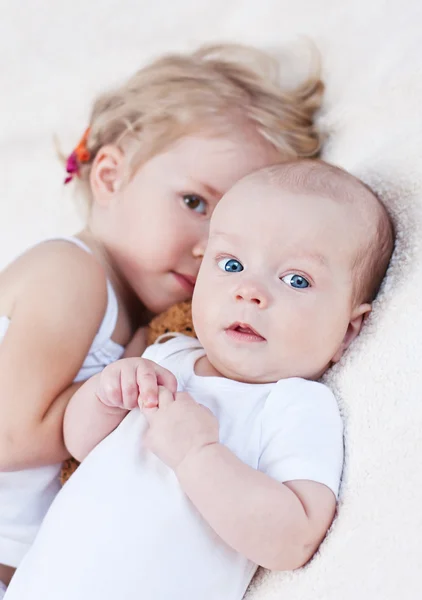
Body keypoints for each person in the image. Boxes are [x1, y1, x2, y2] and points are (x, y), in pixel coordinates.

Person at [0, 43, 325, 596]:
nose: (208, 250)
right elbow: (10, 433)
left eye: (231, 237)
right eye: (195, 203)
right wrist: (136, 368)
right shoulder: (71, 275)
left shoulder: (131, 312)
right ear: (109, 176)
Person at [5, 159, 395, 600]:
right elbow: (81, 444)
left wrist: (197, 455)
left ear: (346, 330)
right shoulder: (169, 353)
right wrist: (106, 394)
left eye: (296, 279)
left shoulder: (297, 406)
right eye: (231, 265)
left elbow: (294, 539)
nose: (249, 291)